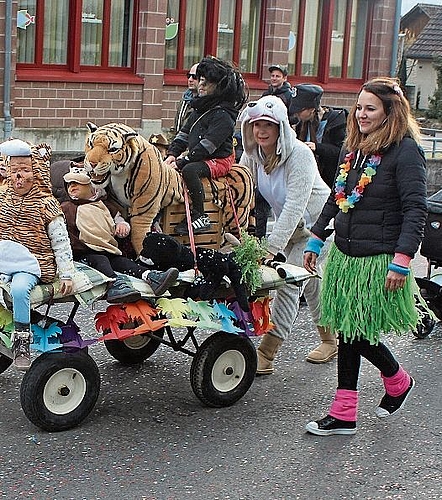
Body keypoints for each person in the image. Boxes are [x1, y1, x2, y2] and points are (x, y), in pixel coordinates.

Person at [303, 77, 427, 436]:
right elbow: (336, 198)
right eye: (359, 107)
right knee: (349, 330)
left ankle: (384, 387)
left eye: (370, 108)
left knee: (355, 331)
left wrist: (402, 259)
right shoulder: (353, 149)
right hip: (344, 254)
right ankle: (358, 403)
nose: (361, 114)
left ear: (390, 113)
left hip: (378, 258)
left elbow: (415, 209)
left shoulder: (406, 152)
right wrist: (315, 238)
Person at [239, 95, 334, 375]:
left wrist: (271, 249)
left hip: (319, 228)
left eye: (268, 124)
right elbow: (241, 190)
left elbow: (295, 206)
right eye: (256, 125)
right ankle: (330, 340)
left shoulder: (300, 155)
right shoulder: (253, 155)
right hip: (292, 229)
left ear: (281, 126)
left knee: (288, 283)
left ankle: (267, 351)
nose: (261, 131)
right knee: (314, 285)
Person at [0, 139, 76, 370]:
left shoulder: (46, 204)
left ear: (38, 172)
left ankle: (22, 343)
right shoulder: (3, 198)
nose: (18, 177)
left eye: (24, 171)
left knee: (20, 288)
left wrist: (67, 274)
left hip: (30, 263)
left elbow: (61, 242)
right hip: (3, 260)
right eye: (14, 171)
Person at [60, 165, 179, 302]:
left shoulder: (104, 205)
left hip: (107, 248)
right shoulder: (66, 208)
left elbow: (118, 218)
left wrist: (122, 225)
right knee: (101, 261)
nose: (72, 187)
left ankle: (150, 276)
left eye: (77, 183)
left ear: (92, 186)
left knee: (122, 261)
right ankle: (114, 283)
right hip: (83, 252)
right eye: (69, 185)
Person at [164, 56, 247, 235]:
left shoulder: (223, 116)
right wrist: (171, 153)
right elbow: (183, 134)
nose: (200, 85)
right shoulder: (199, 109)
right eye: (200, 80)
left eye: (206, 82)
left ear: (218, 87)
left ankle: (200, 216)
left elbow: (206, 147)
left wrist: (181, 161)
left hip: (219, 159)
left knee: (190, 170)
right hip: (201, 155)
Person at [290, 84, 348, 189]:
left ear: (311, 109)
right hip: (306, 177)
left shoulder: (336, 121)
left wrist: (317, 147)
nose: (296, 115)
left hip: (328, 179)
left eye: (299, 111)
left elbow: (341, 151)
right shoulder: (301, 123)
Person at [170, 63, 199, 139]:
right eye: (189, 76)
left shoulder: (205, 102)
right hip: (180, 143)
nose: (190, 80)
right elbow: (177, 127)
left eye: (194, 77)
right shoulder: (185, 99)